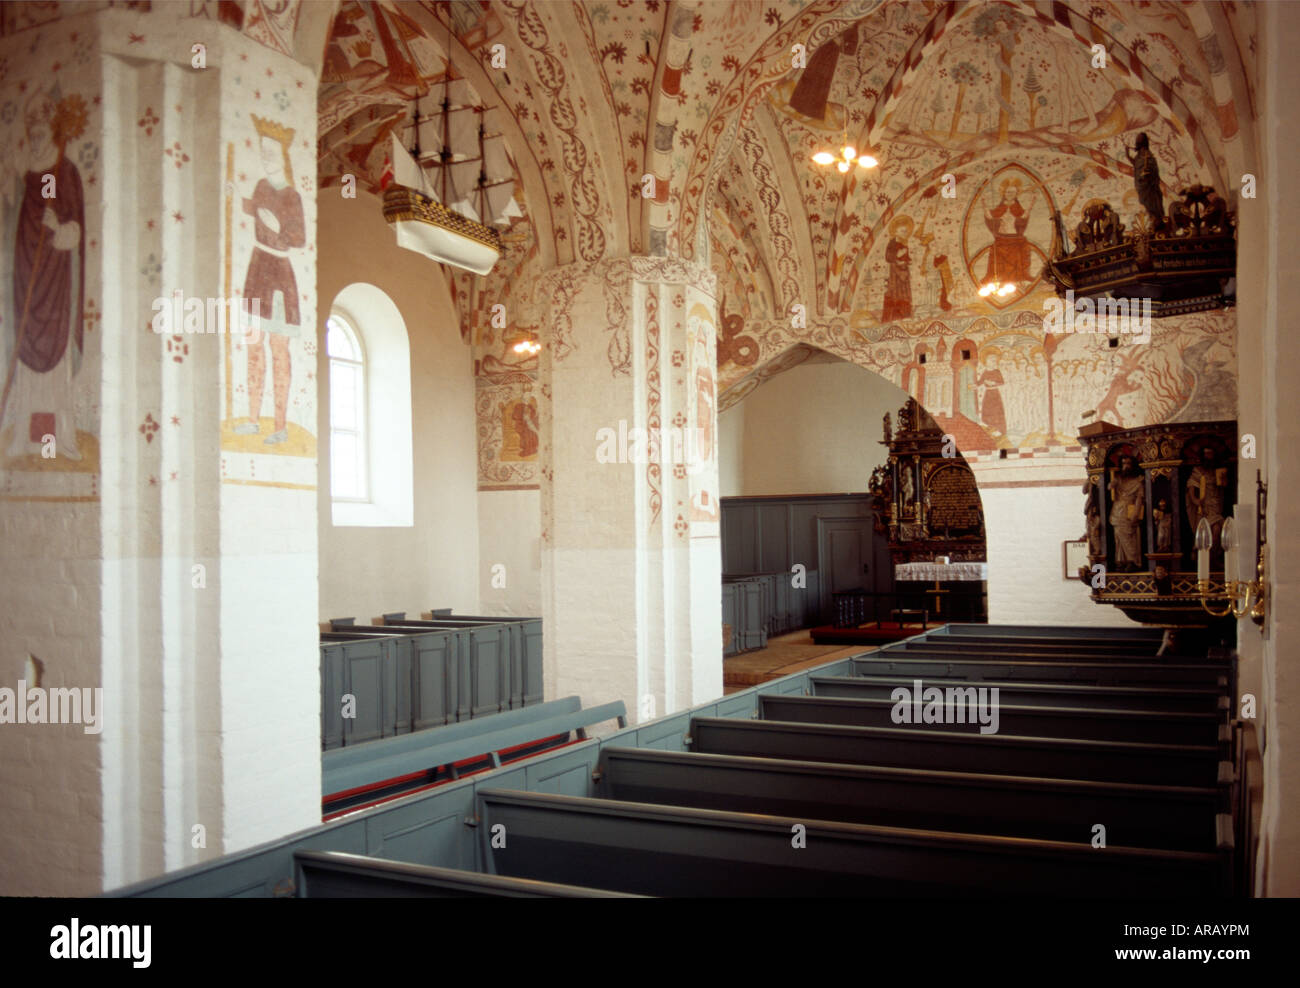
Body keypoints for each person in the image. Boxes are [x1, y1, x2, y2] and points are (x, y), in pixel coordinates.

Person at [2, 90, 85, 462]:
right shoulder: (27, 174)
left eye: (40, 124)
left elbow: (76, 228)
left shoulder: (63, 172)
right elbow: (13, 214)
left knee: (55, 360)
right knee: (25, 351)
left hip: (54, 281)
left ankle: (56, 443)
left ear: (52, 127)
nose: (35, 131)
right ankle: (22, 438)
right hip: (26, 278)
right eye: (30, 124)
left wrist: (58, 226)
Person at [234, 114, 304, 446]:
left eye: (271, 153)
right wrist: (235, 196)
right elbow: (254, 208)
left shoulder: (292, 196)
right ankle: (251, 419)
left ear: (283, 156)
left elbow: (299, 236)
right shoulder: (261, 187)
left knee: (279, 348)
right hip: (256, 267)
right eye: (263, 152)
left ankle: (279, 425)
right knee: (253, 343)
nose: (266, 158)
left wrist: (279, 229)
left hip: (279, 273)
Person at [982, 178, 1033, 286]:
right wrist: (984, 205)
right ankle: (996, 278)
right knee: (996, 256)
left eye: (1013, 192)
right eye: (1008, 192)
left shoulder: (1017, 206)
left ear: (1016, 193)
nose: (1010, 194)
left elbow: (1023, 217)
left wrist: (1032, 203)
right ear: (1003, 193)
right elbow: (990, 217)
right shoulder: (1001, 207)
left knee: (1024, 250)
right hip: (1001, 238)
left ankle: (1022, 276)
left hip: (1015, 238)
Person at [1108, 454, 1145, 570]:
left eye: (1128, 464)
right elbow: (1109, 487)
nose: (1126, 466)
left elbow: (1139, 498)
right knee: (1118, 537)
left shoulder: (1137, 482)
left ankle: (1132, 560)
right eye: (1124, 464)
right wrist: (1112, 484)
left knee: (1129, 537)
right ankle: (1120, 560)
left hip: (1129, 511)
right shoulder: (1118, 480)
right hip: (1117, 511)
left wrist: (1135, 513)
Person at [881, 216, 913, 322]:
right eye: (902, 231)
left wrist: (908, 260)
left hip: (904, 273)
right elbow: (888, 256)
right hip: (895, 273)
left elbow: (906, 257)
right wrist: (898, 254)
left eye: (906, 231)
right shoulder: (892, 243)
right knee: (895, 293)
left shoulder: (904, 244)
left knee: (904, 293)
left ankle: (906, 315)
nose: (905, 233)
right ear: (895, 231)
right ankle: (895, 316)